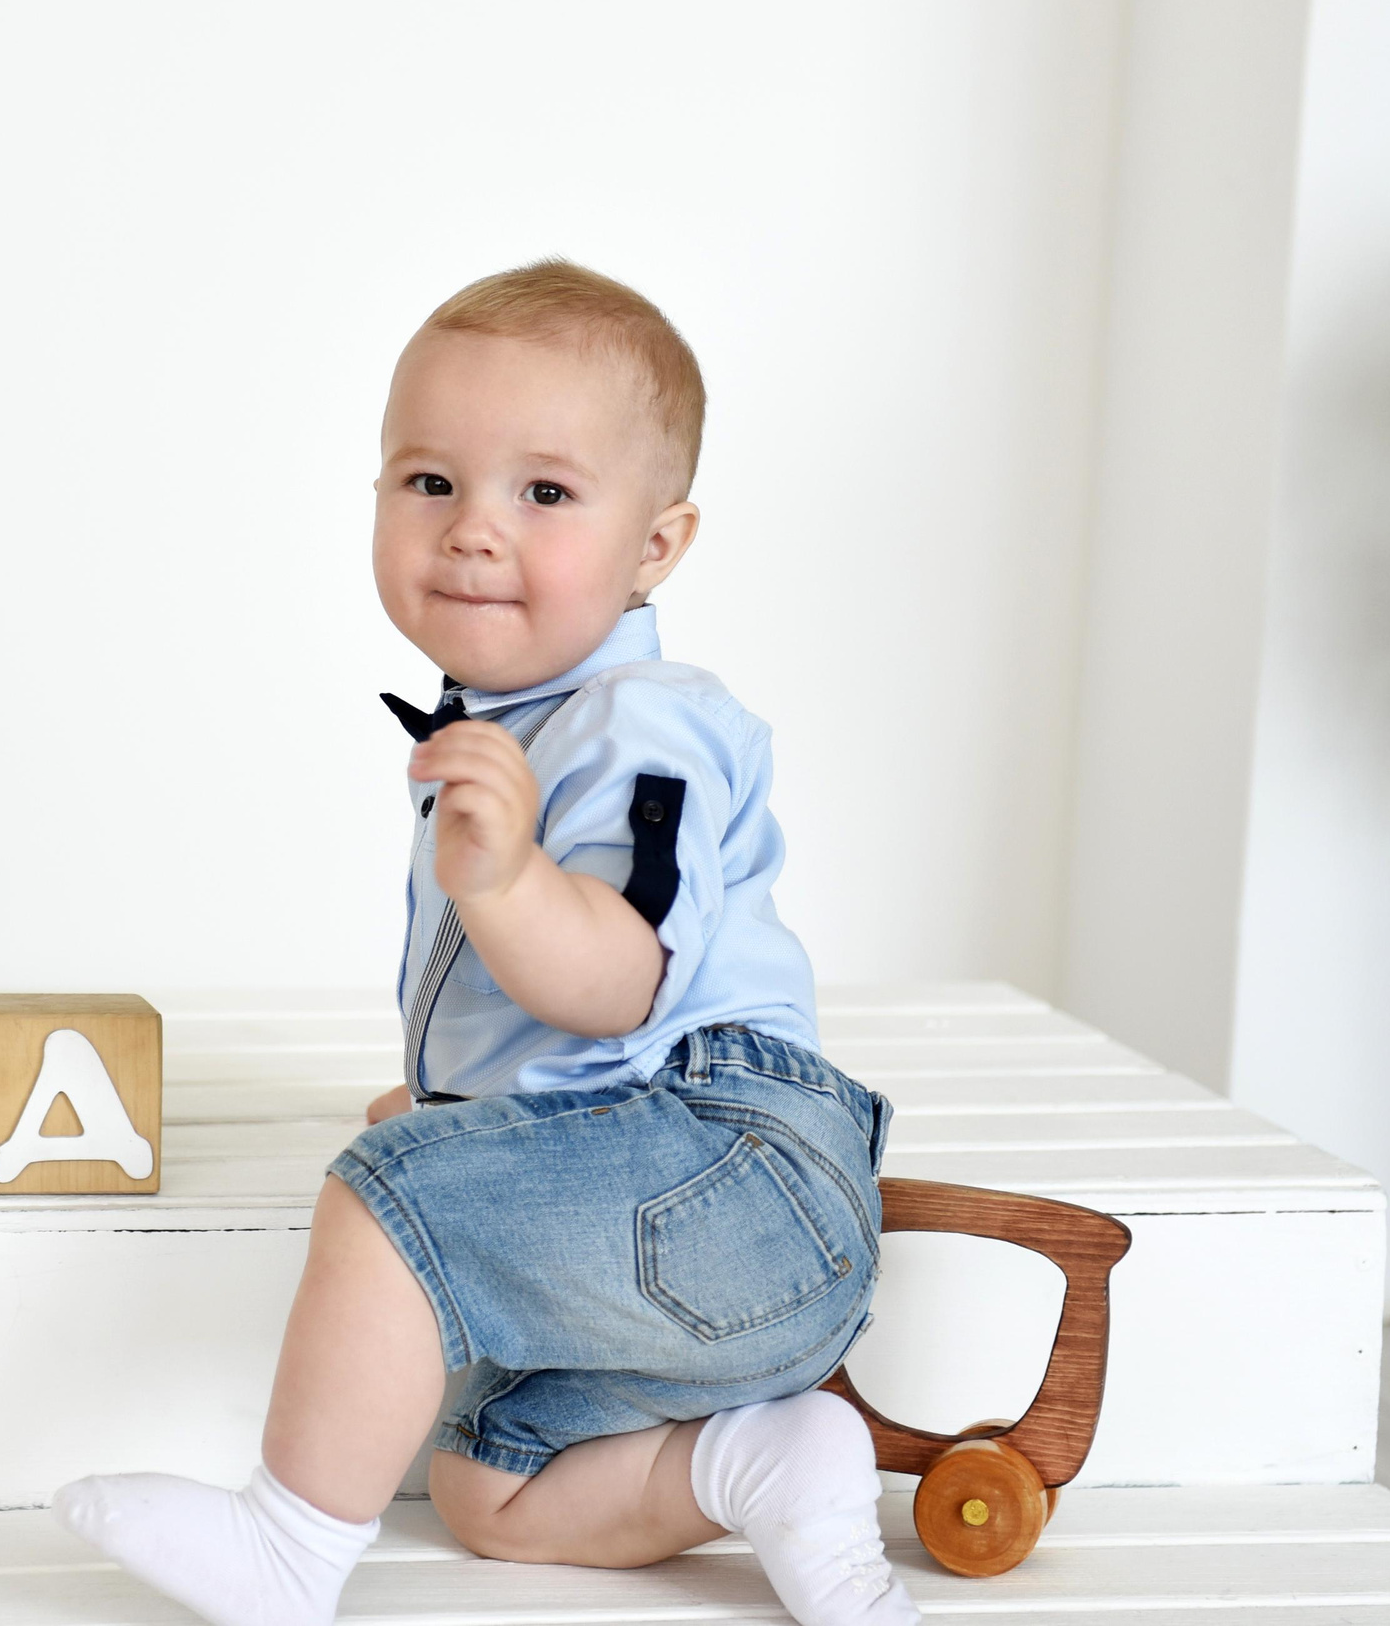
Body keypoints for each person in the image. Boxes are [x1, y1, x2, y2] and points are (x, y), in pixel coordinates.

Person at [54, 260, 916, 1626]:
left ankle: (286, 1548)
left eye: (546, 493)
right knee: (483, 1484)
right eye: (430, 481)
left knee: (381, 1189)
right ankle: (763, 1457)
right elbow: (557, 1038)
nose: (472, 531)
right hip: (692, 1266)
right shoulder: (519, 722)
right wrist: (474, 1112)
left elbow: (620, 977)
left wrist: (507, 880)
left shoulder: (647, 719)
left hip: (737, 1172)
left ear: (657, 546)